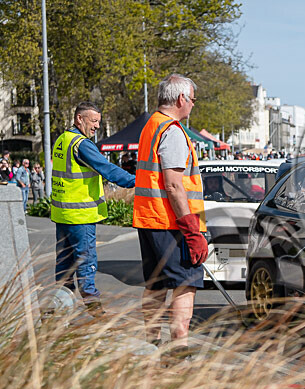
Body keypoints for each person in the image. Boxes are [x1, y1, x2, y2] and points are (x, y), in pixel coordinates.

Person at [133, 73, 207, 352]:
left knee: (156, 284)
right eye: (192, 100)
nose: (192, 106)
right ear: (180, 99)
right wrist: (191, 229)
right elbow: (175, 185)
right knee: (185, 283)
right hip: (171, 223)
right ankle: (179, 348)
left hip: (150, 219)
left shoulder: (151, 125)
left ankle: (151, 344)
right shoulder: (173, 131)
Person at [51, 101, 136, 315]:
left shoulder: (62, 140)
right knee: (86, 263)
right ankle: (95, 312)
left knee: (64, 268)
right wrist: (139, 180)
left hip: (63, 215)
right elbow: (106, 168)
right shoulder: (82, 144)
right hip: (81, 216)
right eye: (94, 121)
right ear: (80, 118)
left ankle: (57, 314)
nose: (97, 126)